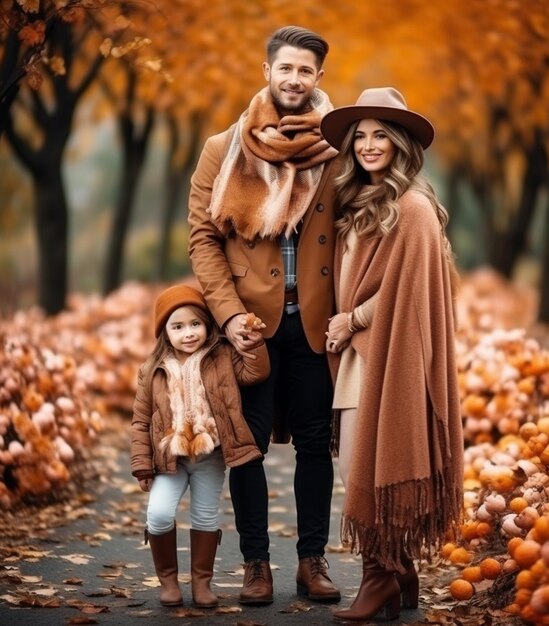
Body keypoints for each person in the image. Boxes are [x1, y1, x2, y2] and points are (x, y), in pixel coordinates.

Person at [187, 26, 341, 605]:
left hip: (316, 324)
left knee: (313, 442)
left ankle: (311, 560)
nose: (295, 79)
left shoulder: (339, 149)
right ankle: (256, 564)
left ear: (319, 78)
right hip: (248, 326)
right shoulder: (222, 148)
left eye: (306, 70)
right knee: (245, 446)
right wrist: (226, 317)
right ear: (267, 70)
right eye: (286, 68)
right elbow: (203, 238)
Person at [319, 87, 464, 622]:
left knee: (366, 467)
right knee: (356, 465)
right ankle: (400, 570)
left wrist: (351, 319)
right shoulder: (358, 203)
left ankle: (378, 576)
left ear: (401, 143)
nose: (370, 145)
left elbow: (411, 289)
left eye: (382, 135)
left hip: (388, 353)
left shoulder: (414, 208)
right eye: (361, 136)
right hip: (359, 357)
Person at [130, 284, 270, 607]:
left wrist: (255, 344)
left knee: (205, 516)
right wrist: (141, 463)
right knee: (160, 514)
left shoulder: (221, 357)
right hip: (170, 459)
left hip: (210, 455)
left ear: (207, 325)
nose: (188, 333)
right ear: (164, 332)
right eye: (177, 327)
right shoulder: (152, 370)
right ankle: (168, 581)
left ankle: (201, 582)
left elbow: (256, 372)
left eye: (195, 323)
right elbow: (139, 421)